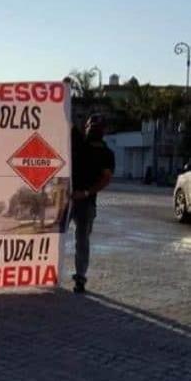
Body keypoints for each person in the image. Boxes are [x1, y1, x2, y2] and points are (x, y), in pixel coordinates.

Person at [71, 113, 115, 293]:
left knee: (82, 240)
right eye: (90, 125)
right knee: (51, 234)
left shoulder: (106, 153)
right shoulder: (79, 142)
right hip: (64, 199)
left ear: (103, 130)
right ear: (86, 127)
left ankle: (80, 277)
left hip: (86, 203)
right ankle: (43, 270)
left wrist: (86, 193)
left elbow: (106, 179)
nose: (92, 129)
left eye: (96, 127)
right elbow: (67, 120)